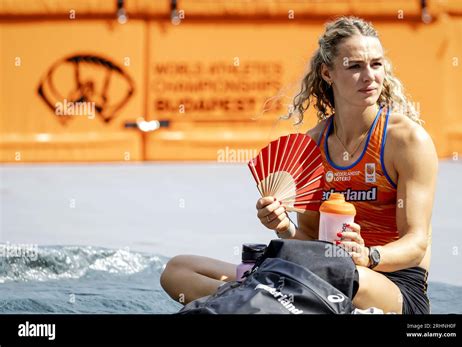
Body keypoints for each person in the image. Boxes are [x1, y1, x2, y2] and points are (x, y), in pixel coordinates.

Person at [160, 16, 438, 314]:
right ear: (327, 73)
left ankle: (260, 297)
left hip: (388, 285)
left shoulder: (407, 140)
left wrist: (367, 255)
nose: (369, 76)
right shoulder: (313, 144)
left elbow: (417, 243)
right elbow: (311, 242)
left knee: (338, 273)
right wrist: (283, 227)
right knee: (178, 270)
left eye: (377, 64)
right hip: (316, 274)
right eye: (355, 66)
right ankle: (265, 298)